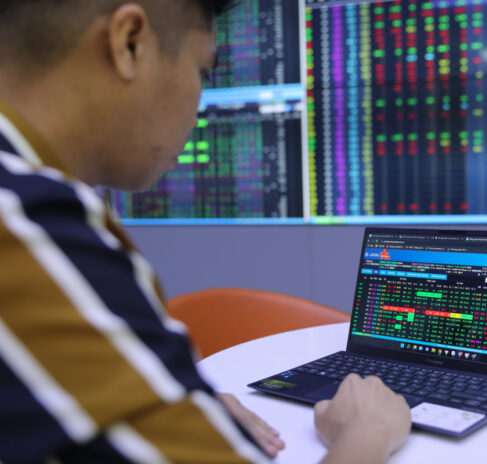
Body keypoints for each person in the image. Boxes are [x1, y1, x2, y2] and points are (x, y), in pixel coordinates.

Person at [0, 1, 411, 462]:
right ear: (129, 43)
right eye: (203, 72)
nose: (198, 110)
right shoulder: (26, 223)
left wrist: (169, 407)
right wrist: (370, 432)